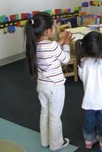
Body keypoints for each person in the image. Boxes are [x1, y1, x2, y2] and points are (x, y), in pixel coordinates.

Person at [24, 12, 73, 151]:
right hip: (55, 87)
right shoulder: (52, 46)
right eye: (54, 25)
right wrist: (66, 44)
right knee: (55, 116)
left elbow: (49, 50)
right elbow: (65, 59)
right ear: (47, 31)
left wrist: (60, 43)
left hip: (42, 86)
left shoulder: (34, 45)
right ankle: (56, 144)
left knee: (44, 112)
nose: (55, 27)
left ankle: (45, 141)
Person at [75, 31, 102, 151]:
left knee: (89, 122)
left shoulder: (82, 63)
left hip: (89, 102)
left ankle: (89, 141)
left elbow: (83, 78)